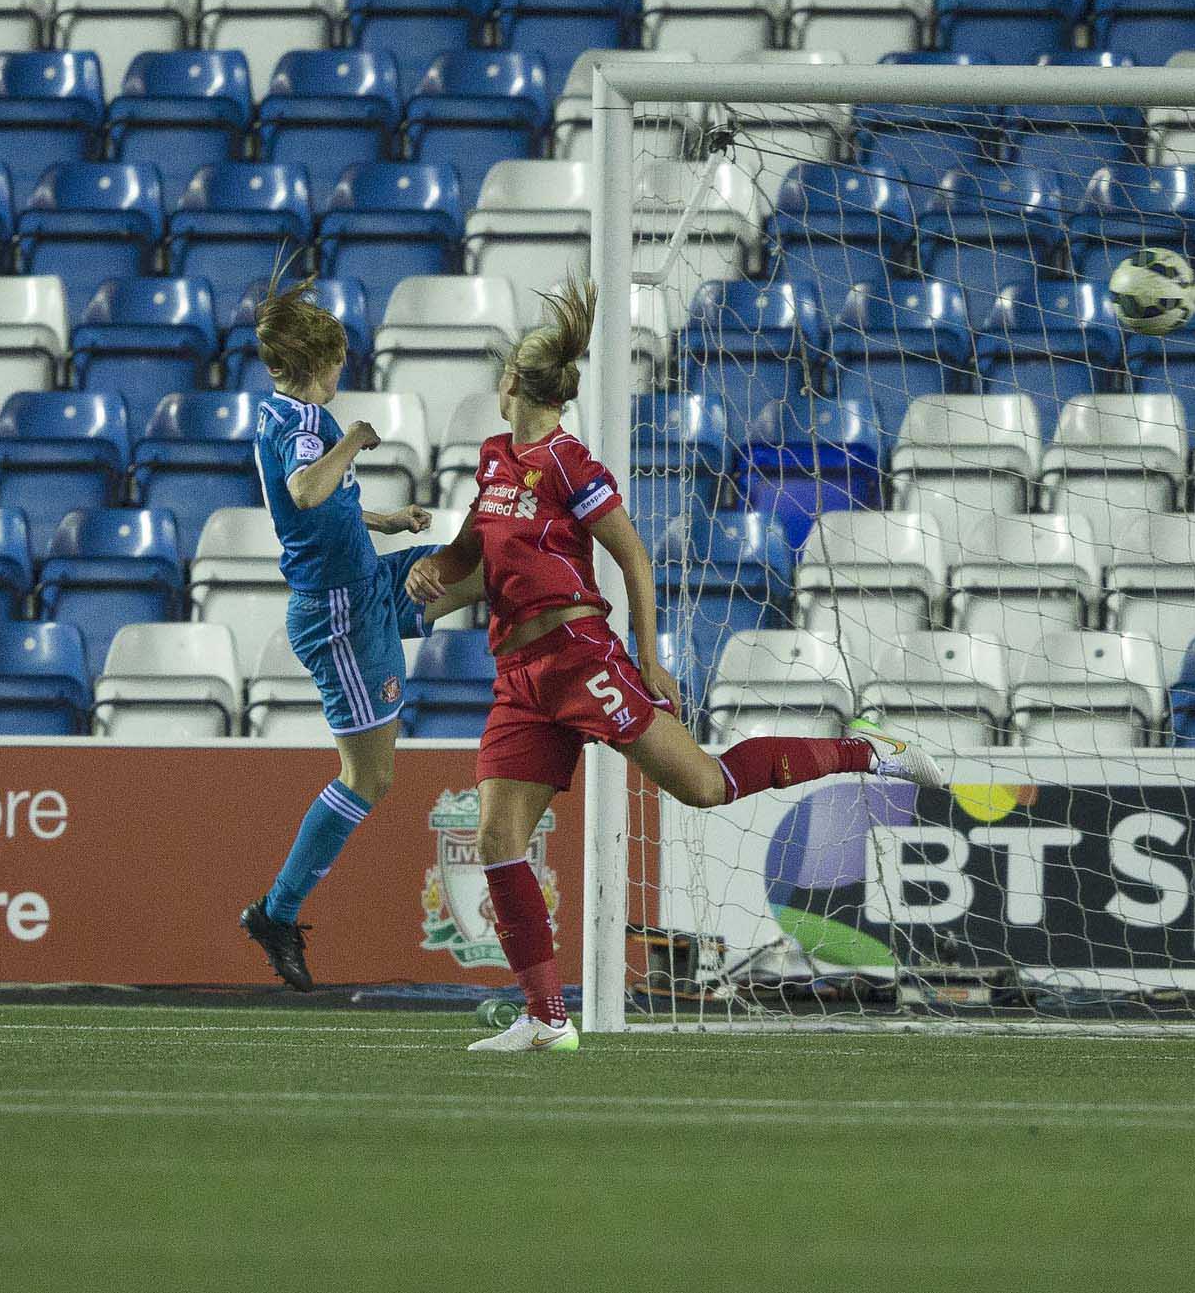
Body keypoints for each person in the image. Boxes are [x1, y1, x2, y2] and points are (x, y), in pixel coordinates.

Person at [404, 282, 944, 1052]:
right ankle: (547, 1018)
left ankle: (869, 751)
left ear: (513, 386)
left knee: (703, 786)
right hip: (519, 675)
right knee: (497, 839)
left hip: (579, 657)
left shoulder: (568, 461)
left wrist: (648, 660)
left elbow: (633, 556)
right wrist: (431, 575)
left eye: (500, 379)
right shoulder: (495, 461)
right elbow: (470, 556)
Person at [239, 280, 485, 992]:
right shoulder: (312, 427)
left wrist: (384, 520)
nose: (343, 375)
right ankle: (275, 912)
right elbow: (306, 493)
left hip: (365, 583)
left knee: (483, 569)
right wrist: (352, 439)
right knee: (370, 776)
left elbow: (322, 510)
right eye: (339, 364)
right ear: (318, 366)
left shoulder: (277, 412)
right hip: (339, 616)